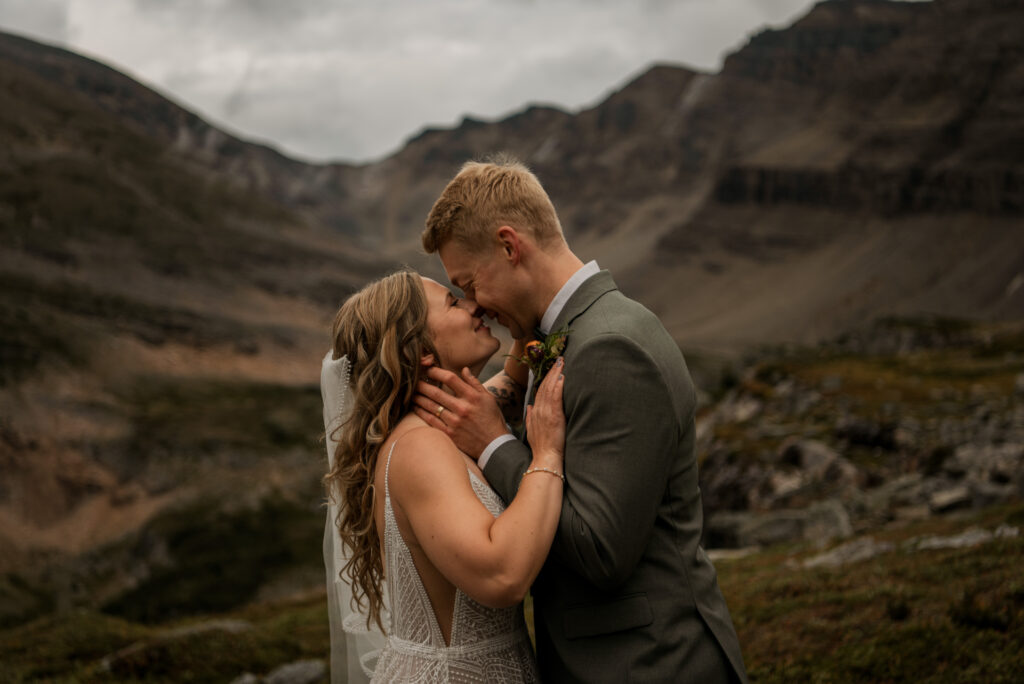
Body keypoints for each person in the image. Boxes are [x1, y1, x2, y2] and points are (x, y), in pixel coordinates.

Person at [414, 158, 750, 683]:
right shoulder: (567, 334)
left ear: (509, 246)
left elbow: (601, 552)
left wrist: (493, 443)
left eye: (470, 283)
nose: (476, 305)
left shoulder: (611, 346)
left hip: (650, 664)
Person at [320, 269, 567, 683]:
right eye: (454, 303)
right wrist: (548, 452)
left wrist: (523, 310)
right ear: (421, 352)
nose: (472, 305)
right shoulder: (421, 449)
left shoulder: (442, 423)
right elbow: (501, 576)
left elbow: (507, 383)